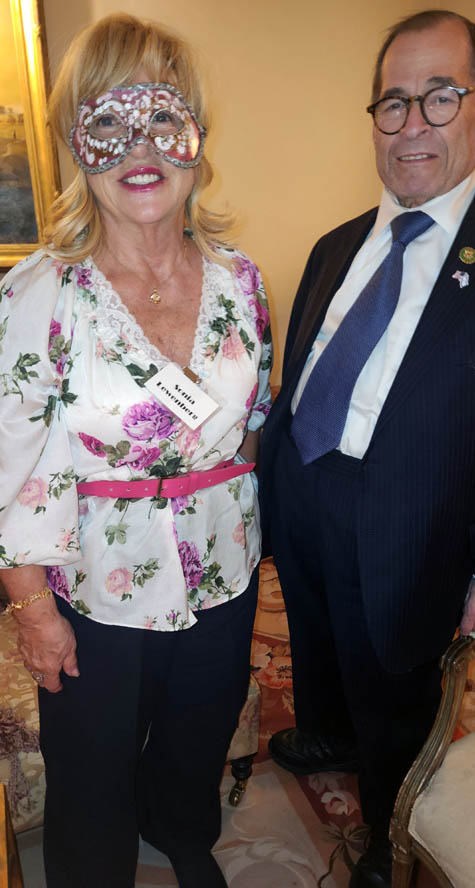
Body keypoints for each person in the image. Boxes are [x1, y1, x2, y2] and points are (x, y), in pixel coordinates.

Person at [0, 13, 272, 888]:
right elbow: (4, 465)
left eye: (163, 116)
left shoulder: (241, 279)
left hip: (225, 572)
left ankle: (180, 830)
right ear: (78, 146)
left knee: (198, 734)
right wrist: (32, 610)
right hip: (94, 591)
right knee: (91, 764)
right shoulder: (41, 293)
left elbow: (253, 419)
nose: (139, 147)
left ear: (195, 135)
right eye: (107, 122)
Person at [260, 10, 475, 888]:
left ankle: (386, 835)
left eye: (441, 98)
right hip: (309, 493)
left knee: (395, 688)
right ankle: (327, 727)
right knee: (320, 642)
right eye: (392, 104)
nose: (413, 127)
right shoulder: (335, 246)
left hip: (414, 526)